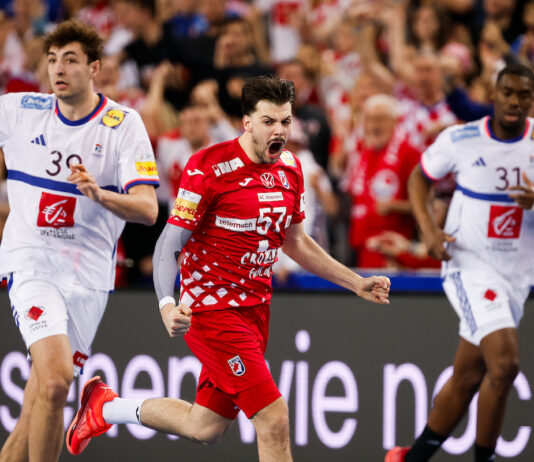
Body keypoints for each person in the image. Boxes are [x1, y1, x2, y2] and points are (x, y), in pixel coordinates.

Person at [66, 75, 391, 461]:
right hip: (212, 313)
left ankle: (105, 408)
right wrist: (167, 304)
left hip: (255, 311)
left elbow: (296, 241)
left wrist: (355, 282)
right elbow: (169, 243)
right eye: (268, 121)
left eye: (285, 121)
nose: (279, 130)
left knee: (204, 426)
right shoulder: (208, 167)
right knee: (273, 417)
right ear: (247, 123)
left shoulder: (291, 168)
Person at [0, 19, 159, 462]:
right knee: (56, 382)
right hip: (32, 263)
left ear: (94, 68)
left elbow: (148, 209)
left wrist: (99, 193)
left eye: (70, 60)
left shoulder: (122, 124)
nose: (58, 69)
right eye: (52, 60)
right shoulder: (19, 110)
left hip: (88, 277)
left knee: (41, 399)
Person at [385, 63, 534, 462]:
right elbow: (419, 178)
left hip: (518, 275)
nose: (515, 102)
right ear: (494, 95)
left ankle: (410, 458)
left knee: (468, 376)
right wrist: (429, 231)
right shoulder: (461, 138)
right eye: (508, 93)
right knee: (504, 365)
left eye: (523, 95)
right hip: (469, 265)